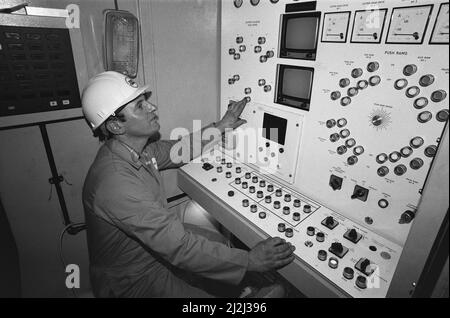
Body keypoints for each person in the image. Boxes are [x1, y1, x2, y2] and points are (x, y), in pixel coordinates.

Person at [81, 71, 296, 298]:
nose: (152, 107)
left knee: (216, 239)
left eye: (146, 101)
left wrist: (222, 125)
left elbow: (181, 148)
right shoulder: (116, 184)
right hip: (133, 279)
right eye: (140, 106)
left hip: (151, 255)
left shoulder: (137, 151)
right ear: (116, 126)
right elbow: (179, 246)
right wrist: (250, 260)